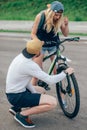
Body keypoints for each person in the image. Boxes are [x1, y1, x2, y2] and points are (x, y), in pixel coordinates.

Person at [6, 38, 74, 128]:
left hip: (13, 92)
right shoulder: (30, 65)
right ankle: (22, 115)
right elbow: (50, 80)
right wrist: (65, 73)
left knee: (41, 90)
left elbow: (25, 81)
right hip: (16, 96)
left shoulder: (21, 57)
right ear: (38, 52)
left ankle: (16, 108)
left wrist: (34, 94)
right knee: (52, 103)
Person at [31, 1, 69, 85]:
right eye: (56, 15)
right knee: (37, 74)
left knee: (57, 71)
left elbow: (65, 34)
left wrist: (66, 25)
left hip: (53, 45)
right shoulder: (40, 16)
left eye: (60, 15)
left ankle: (61, 97)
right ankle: (32, 95)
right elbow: (33, 34)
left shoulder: (60, 18)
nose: (58, 17)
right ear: (51, 12)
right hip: (40, 45)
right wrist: (38, 43)